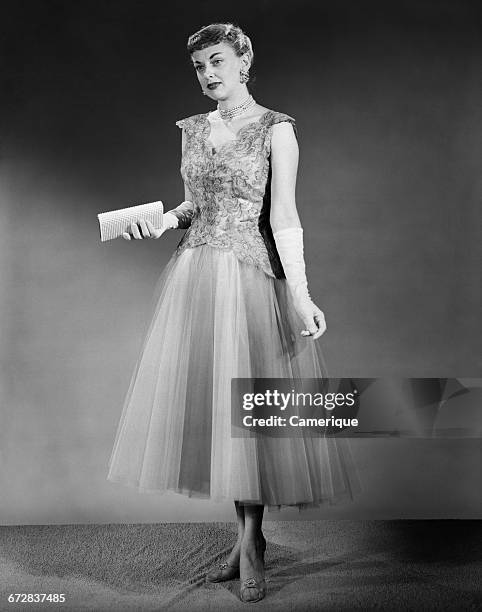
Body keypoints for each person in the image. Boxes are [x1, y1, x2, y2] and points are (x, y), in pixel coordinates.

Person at [107, 22, 362, 603]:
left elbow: (285, 217)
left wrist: (300, 292)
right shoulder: (193, 130)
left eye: (218, 61)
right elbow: (198, 203)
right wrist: (164, 220)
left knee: (251, 411)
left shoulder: (277, 130)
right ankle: (246, 540)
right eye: (199, 67)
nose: (209, 75)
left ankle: (251, 543)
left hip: (250, 277)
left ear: (245, 59)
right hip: (196, 276)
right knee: (218, 413)